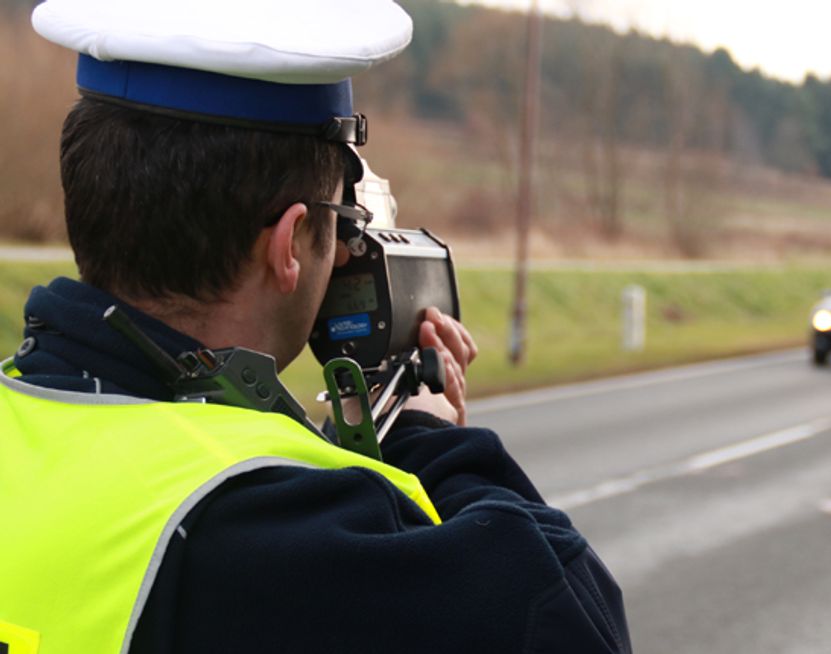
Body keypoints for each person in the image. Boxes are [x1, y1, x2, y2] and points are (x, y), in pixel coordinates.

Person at [0, 1, 632, 652]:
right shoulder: (273, 530)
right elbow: (573, 624)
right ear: (289, 245)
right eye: (342, 226)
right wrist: (424, 433)